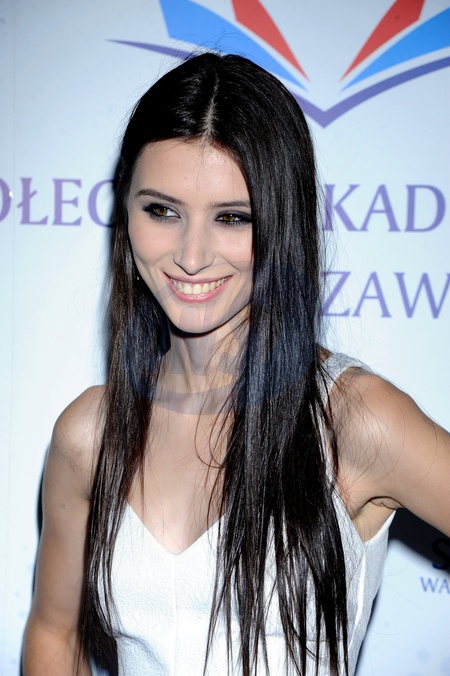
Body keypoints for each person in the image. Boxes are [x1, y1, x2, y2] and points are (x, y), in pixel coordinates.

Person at [22, 52, 450, 676]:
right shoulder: (90, 434)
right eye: (162, 210)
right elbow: (54, 633)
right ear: (125, 214)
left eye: (232, 218)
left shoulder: (353, 419)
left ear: (282, 222)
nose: (191, 255)